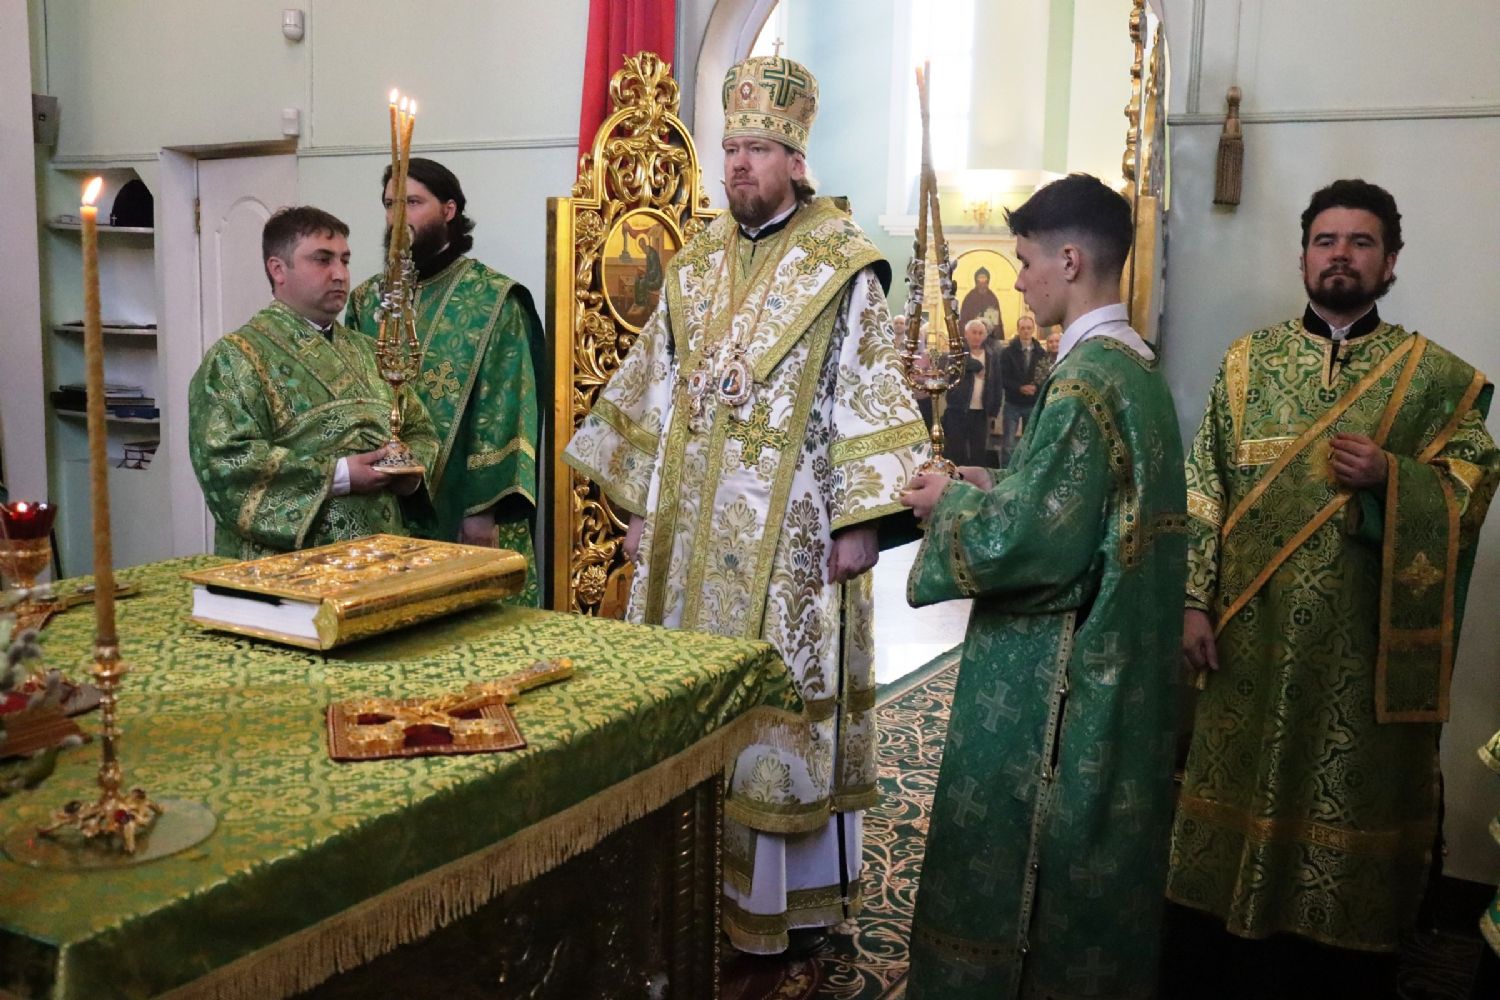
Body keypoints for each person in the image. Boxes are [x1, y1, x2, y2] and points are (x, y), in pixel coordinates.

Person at [562, 54, 927, 956]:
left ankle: (786, 906)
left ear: (795, 160)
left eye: (757, 149)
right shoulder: (693, 266)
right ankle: (686, 888)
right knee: (691, 708)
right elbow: (656, 387)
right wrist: (643, 505)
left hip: (794, 538)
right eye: (730, 148)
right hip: (688, 540)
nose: (737, 164)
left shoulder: (843, 266)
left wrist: (861, 523)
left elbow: (866, 390)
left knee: (778, 713)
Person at [1170, 179, 1499, 996]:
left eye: (1360, 242)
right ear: (1303, 257)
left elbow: (1470, 486)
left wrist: (1394, 477)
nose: (1341, 255)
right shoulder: (1245, 364)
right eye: (1326, 240)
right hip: (1248, 642)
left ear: (1390, 261)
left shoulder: (1432, 379)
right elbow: (1203, 487)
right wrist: (1193, 600)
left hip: (1362, 657)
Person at [900, 173, 1187, 999]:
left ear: (1069, 259)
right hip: (1123, 667)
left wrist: (951, 505)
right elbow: (1084, 509)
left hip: (1071, 680)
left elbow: (1032, 545)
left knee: (1040, 865)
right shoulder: (1135, 371)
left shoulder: (1085, 380)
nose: (1018, 282)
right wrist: (991, 481)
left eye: (1025, 262)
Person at [345, 159, 544, 604]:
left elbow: (507, 412)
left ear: (448, 210)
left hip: (464, 509)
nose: (398, 219)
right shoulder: (366, 300)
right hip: (383, 508)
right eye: (390, 205)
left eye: (413, 203)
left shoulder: (493, 299)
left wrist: (481, 511)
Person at [189, 207, 437, 559]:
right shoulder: (235, 358)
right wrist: (338, 475)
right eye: (322, 260)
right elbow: (225, 464)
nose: (339, 274)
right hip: (289, 568)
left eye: (345, 260)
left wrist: (409, 473)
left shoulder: (371, 352)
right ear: (278, 269)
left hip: (380, 555)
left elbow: (420, 431)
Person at [941, 318, 1003, 467]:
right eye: (974, 332)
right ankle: (955, 477)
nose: (977, 336)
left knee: (978, 452)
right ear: (966, 334)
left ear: (985, 336)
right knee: (956, 450)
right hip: (958, 410)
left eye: (981, 333)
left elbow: (997, 383)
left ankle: (974, 479)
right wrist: (978, 366)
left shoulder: (991, 355)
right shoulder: (957, 353)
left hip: (981, 412)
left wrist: (994, 410)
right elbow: (954, 365)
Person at [997, 313, 1045, 466]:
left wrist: (1035, 387)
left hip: (1032, 403)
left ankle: (1024, 471)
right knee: (1008, 444)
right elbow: (1002, 377)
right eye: (1023, 328)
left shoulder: (1041, 353)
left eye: (1029, 328)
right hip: (1012, 403)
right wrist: (1019, 388)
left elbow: (1044, 375)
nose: (1026, 331)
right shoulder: (1007, 352)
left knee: (1029, 442)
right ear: (1018, 330)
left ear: (1033, 329)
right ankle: (1005, 472)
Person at [960, 265, 1003, 337]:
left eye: (984, 278)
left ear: (988, 280)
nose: (982, 281)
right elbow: (964, 319)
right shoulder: (970, 297)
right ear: (976, 280)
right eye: (980, 278)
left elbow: (995, 322)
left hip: (988, 336)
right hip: (972, 335)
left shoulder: (991, 298)